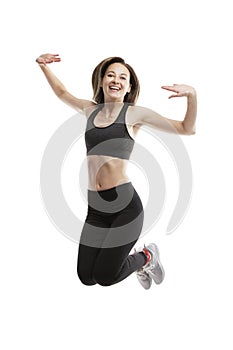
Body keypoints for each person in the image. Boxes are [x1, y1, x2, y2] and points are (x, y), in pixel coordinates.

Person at [36, 53, 197, 290]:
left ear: (129, 86)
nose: (116, 80)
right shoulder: (90, 110)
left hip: (125, 207)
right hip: (96, 208)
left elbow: (187, 129)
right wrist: (43, 67)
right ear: (101, 80)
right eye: (111, 74)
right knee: (87, 277)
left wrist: (192, 95)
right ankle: (138, 262)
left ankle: (146, 257)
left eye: (123, 77)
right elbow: (62, 93)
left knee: (106, 276)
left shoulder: (134, 114)